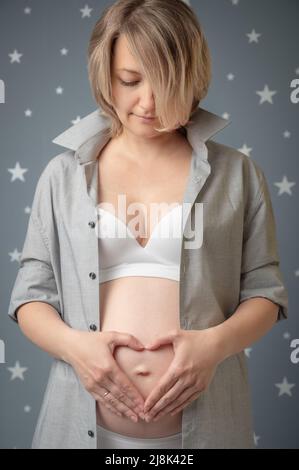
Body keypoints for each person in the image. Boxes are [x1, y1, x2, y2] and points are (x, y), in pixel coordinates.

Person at [7, 0, 288, 449]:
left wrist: (213, 346)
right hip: (79, 433)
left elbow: (265, 294)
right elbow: (30, 298)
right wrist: (76, 349)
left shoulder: (238, 174)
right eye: (131, 81)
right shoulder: (61, 176)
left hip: (209, 431)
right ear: (106, 76)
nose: (149, 102)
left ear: (192, 77)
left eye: (165, 82)